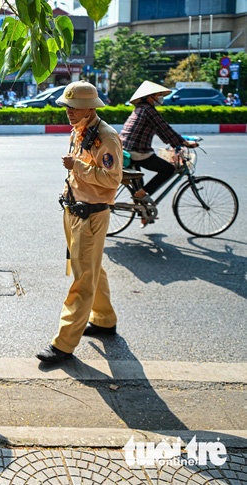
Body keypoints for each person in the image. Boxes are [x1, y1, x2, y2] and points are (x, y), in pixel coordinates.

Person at [36, 81, 123, 363]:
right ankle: (105, 320)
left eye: (73, 107)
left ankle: (63, 344)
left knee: (82, 278)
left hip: (91, 214)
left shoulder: (106, 138)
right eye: (66, 106)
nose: (68, 112)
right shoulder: (81, 131)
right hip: (74, 211)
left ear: (90, 108)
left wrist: (78, 166)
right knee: (90, 268)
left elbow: (113, 178)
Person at [120, 81, 199, 225]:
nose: (161, 98)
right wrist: (184, 143)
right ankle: (142, 197)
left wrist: (177, 141)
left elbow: (162, 132)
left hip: (127, 150)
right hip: (137, 152)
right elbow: (165, 128)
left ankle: (144, 214)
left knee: (139, 186)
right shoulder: (149, 110)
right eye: (159, 95)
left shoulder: (140, 108)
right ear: (150, 97)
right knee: (168, 169)